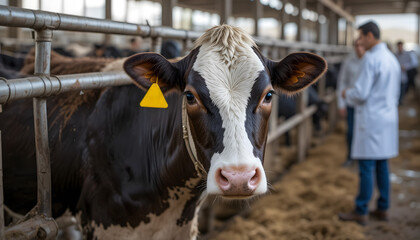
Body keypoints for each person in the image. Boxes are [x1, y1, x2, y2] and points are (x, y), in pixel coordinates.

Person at [338, 21, 400, 225]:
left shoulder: (371, 59)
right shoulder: (391, 59)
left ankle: (361, 210)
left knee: (366, 167)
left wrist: (347, 93)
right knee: (382, 164)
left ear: (370, 36)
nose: (361, 42)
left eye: (362, 37)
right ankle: (383, 208)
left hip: (371, 119)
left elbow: (361, 94)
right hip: (387, 118)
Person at [336, 39, 366, 166]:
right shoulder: (348, 61)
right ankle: (350, 156)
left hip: (365, 105)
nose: (359, 48)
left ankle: (363, 157)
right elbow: (341, 82)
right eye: (356, 45)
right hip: (351, 104)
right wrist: (341, 104)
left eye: (361, 45)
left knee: (364, 132)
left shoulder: (370, 61)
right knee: (350, 131)